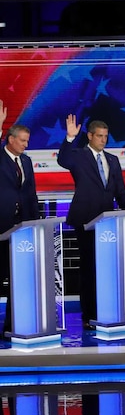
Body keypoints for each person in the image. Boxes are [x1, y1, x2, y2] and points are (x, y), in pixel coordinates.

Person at [57, 115, 125, 329]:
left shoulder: (113, 160)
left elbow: (120, 191)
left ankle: (109, 311)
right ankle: (89, 315)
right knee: (89, 269)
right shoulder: (78, 156)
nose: (103, 140)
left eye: (106, 137)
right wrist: (70, 138)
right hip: (86, 221)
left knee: (107, 268)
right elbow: (63, 160)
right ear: (89, 136)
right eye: (99, 136)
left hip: (108, 224)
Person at [0, 101, 40, 335]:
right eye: (22, 140)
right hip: (1, 226)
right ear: (10, 139)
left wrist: (35, 222)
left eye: (27, 140)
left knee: (18, 279)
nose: (26, 144)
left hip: (22, 230)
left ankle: (12, 325)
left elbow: (30, 193)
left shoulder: (26, 161)